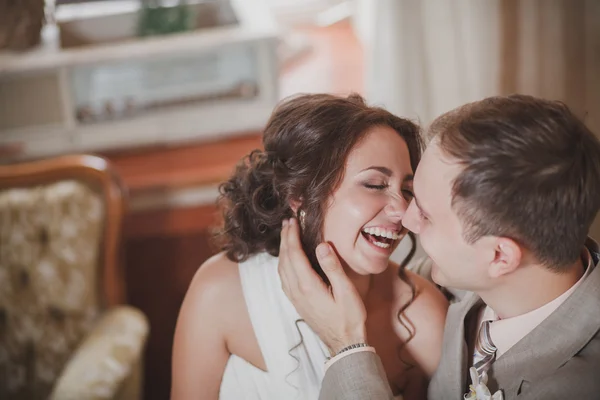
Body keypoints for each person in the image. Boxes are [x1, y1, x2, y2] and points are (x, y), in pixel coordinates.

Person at [278, 94, 600, 399]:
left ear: (500, 257)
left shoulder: (576, 386)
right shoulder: (489, 278)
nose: (406, 219)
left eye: (426, 215)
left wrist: (347, 344)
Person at [171, 93, 449, 399]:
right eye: (375, 185)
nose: (402, 211)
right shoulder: (220, 291)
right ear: (299, 194)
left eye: (407, 190)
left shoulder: (423, 316)